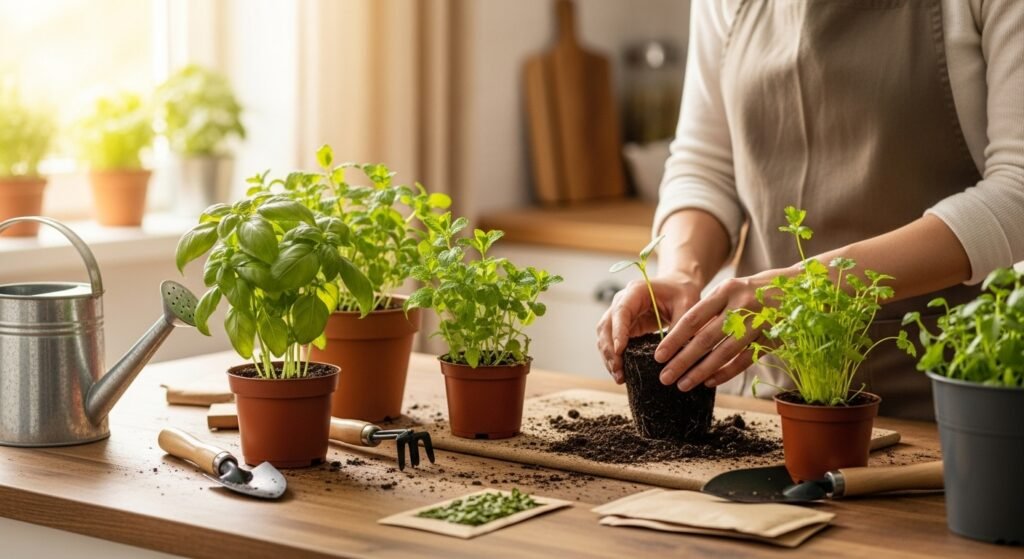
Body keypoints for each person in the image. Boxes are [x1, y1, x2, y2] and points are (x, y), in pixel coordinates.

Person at [596, 0, 1024, 420]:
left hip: (950, 406)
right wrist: (680, 273)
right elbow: (705, 164)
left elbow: (1016, 191)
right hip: (767, 400)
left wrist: (800, 290)